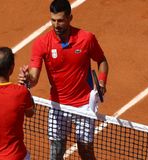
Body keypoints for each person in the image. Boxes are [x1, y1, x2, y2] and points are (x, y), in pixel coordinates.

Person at [18, 0, 109, 159]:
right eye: (53, 20)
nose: (56, 24)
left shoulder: (86, 39)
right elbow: (34, 78)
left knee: (86, 151)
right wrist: (27, 79)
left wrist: (101, 82)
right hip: (57, 106)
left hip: (84, 105)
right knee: (56, 152)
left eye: (60, 20)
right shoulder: (42, 43)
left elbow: (102, 61)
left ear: (70, 18)